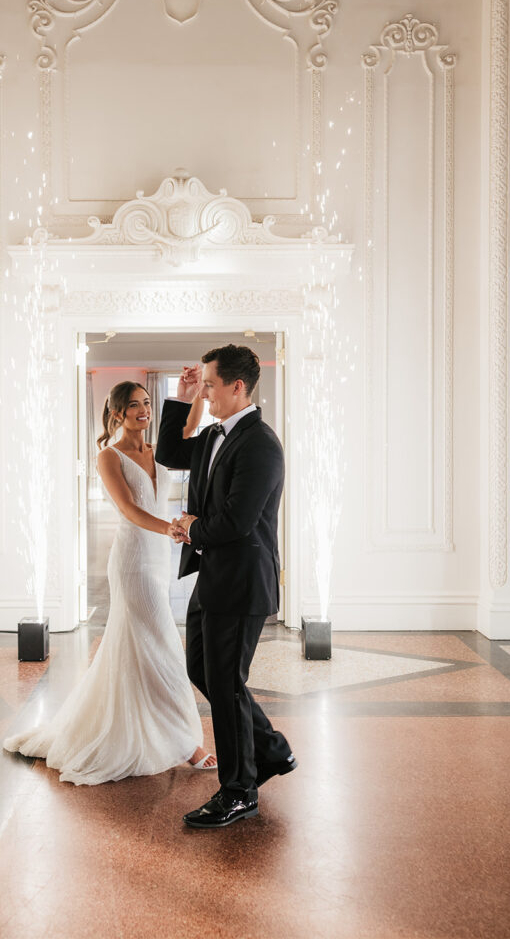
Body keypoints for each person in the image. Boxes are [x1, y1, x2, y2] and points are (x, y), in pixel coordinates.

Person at [3, 381, 216, 783]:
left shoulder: (157, 451)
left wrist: (192, 395)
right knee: (161, 644)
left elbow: (186, 432)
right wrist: (172, 528)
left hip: (157, 560)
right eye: (134, 405)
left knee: (142, 645)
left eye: (147, 403)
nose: (143, 410)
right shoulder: (108, 456)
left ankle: (155, 731)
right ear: (117, 413)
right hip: (133, 559)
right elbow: (129, 509)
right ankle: (187, 744)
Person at [156, 345, 296, 828]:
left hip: (241, 583)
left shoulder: (260, 444)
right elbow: (170, 451)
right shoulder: (217, 432)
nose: (207, 391)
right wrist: (184, 398)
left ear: (238, 387)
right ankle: (271, 749)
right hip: (214, 577)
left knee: (225, 683)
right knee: (205, 670)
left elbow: (237, 522)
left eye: (211, 384)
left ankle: (239, 791)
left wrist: (191, 528)